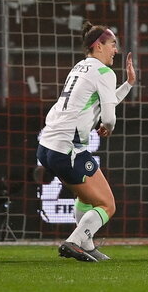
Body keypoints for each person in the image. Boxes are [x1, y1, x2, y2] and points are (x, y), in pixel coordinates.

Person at [37, 23, 137, 262]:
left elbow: (101, 101)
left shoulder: (80, 67)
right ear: (98, 45)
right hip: (68, 148)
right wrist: (107, 127)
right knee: (107, 205)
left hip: (47, 145)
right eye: (113, 44)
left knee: (85, 198)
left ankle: (87, 244)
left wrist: (129, 84)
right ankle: (74, 241)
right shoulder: (104, 72)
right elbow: (109, 116)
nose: (116, 50)